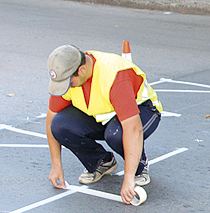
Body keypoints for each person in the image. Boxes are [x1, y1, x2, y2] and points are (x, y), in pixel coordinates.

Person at [46, 45, 163, 204]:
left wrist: (128, 178)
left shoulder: (114, 75)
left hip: (142, 111)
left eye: (69, 82)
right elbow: (50, 118)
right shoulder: (67, 74)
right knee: (59, 125)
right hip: (104, 115)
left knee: (116, 134)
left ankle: (139, 168)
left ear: (80, 70)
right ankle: (102, 162)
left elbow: (133, 128)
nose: (66, 87)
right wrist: (56, 165)